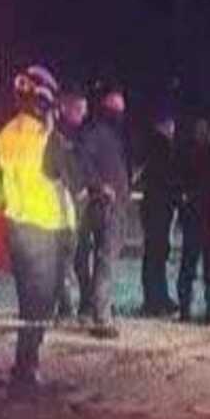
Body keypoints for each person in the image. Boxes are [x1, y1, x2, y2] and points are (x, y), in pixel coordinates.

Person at [0, 65, 76, 396]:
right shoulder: (46, 139)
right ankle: (26, 368)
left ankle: (25, 365)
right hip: (44, 229)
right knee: (41, 303)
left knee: (30, 302)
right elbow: (66, 174)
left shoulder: (8, 134)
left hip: (18, 225)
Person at [75, 85, 131, 339]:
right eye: (115, 107)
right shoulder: (97, 134)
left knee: (103, 261)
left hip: (113, 205)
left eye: (122, 108)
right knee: (104, 261)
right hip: (104, 207)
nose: (119, 112)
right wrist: (100, 186)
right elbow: (83, 161)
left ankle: (94, 308)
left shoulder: (113, 137)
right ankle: (100, 316)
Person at [177, 117, 210, 323]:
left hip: (203, 218)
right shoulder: (204, 154)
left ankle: (207, 309)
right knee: (196, 266)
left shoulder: (208, 154)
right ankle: (192, 308)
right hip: (201, 217)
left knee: (205, 268)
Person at [52, 89, 89, 320]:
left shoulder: (77, 136)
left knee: (77, 260)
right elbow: (67, 172)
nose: (83, 115)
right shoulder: (60, 139)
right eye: (79, 110)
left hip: (73, 209)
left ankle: (77, 305)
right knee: (65, 261)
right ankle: (67, 306)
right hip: (63, 210)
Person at [140, 109, 179, 316]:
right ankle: (156, 299)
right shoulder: (161, 147)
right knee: (156, 254)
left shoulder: (156, 146)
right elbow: (165, 178)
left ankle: (156, 297)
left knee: (156, 254)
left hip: (155, 207)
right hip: (158, 208)